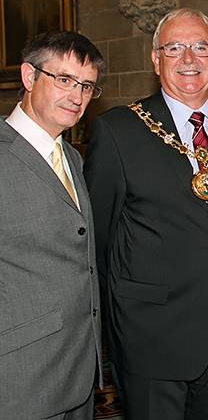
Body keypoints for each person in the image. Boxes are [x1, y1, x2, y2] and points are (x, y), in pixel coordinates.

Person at [83, 8, 208, 420]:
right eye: (174, 48)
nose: (188, 59)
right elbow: (98, 242)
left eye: (200, 47)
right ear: (155, 59)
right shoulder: (118, 131)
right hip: (150, 335)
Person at [0, 31, 105, 419]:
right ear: (29, 77)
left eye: (86, 86)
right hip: (18, 376)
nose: (76, 96)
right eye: (63, 79)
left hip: (77, 372)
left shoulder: (72, 159)